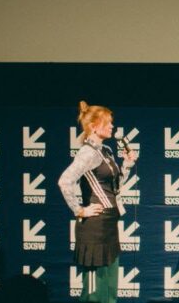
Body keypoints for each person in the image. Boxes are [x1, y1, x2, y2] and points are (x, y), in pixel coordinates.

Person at [57, 101, 137, 303]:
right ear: (94, 126)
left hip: (109, 225)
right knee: (93, 293)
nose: (112, 126)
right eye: (108, 123)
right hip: (94, 228)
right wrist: (80, 210)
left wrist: (126, 165)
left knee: (109, 287)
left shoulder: (106, 150)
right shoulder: (88, 152)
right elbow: (65, 181)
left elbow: (115, 186)